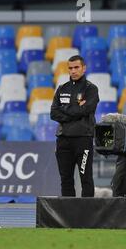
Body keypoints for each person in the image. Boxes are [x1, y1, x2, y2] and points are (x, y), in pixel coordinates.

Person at [50, 55, 100, 197]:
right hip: (63, 140)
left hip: (83, 139)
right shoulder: (61, 88)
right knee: (65, 180)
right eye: (70, 68)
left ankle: (87, 215)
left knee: (86, 179)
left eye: (76, 67)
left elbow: (86, 110)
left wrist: (65, 111)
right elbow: (53, 113)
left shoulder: (91, 89)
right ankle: (67, 217)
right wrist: (75, 111)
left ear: (84, 68)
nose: (73, 71)